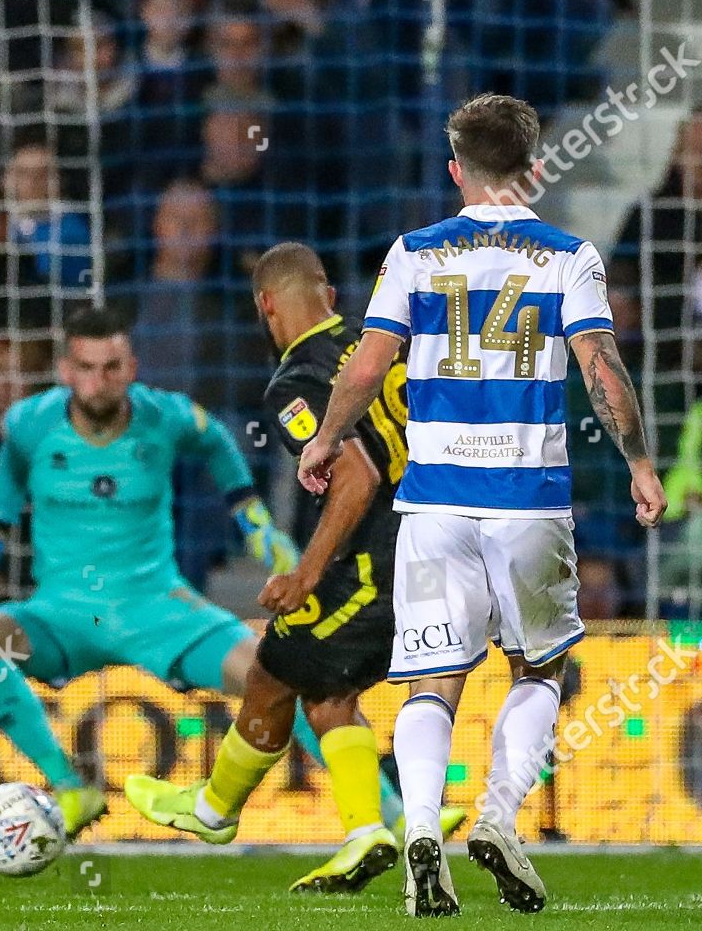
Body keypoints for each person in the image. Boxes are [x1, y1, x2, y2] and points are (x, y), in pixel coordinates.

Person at [296, 94, 667, 916]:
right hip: (528, 498)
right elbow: (601, 367)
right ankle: (498, 818)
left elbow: (364, 366)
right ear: (535, 168)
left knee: (430, 679)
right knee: (539, 666)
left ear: (456, 169)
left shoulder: (413, 254)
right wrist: (638, 461)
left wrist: (324, 439)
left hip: (433, 499)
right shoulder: (569, 255)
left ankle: (422, 827)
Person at [124, 243, 464, 893]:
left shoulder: (296, 381)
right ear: (330, 295)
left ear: (266, 306)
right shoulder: (381, 344)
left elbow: (355, 476)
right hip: (447, 543)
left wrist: (306, 571)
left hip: (383, 558)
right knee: (325, 689)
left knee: (274, 669)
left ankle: (214, 810)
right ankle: (367, 831)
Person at [0, 306, 303, 839]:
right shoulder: (29, 424)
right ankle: (70, 789)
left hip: (158, 607)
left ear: (133, 366)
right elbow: (6, 482)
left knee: (281, 676)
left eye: (112, 367)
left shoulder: (167, 417)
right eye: (86, 367)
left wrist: (254, 521)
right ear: (65, 370)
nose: (99, 381)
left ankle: (387, 821)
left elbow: (216, 442)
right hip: (61, 615)